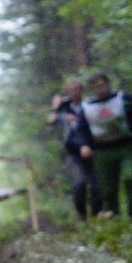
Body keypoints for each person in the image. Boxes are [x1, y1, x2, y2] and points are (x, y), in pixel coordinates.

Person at [67, 72, 132, 223]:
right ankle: (115, 216)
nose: (100, 89)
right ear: (91, 89)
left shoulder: (124, 99)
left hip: (127, 145)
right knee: (107, 188)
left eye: (102, 85)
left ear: (108, 84)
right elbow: (81, 129)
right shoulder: (87, 107)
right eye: (96, 87)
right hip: (102, 150)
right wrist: (84, 145)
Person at [47, 79, 97, 220]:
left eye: (77, 89)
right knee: (79, 183)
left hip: (92, 148)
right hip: (72, 152)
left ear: (81, 90)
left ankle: (97, 215)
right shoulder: (63, 107)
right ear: (67, 91)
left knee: (95, 184)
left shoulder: (89, 104)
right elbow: (50, 123)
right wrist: (56, 109)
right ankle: (81, 214)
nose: (75, 92)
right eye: (71, 89)